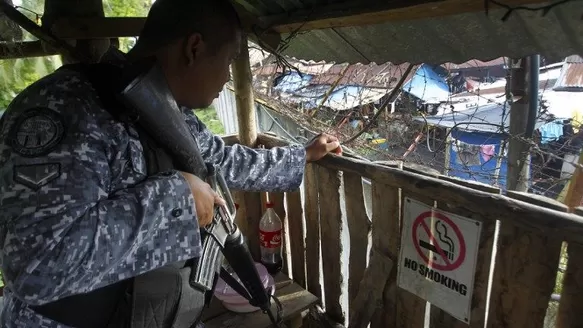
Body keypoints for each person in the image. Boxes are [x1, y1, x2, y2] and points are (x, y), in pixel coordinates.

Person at [0, 0, 341, 326]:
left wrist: (302, 155)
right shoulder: (64, 110)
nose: (226, 78)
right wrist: (174, 198)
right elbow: (36, 268)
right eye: (228, 60)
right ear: (194, 48)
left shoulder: (166, 110)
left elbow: (223, 159)